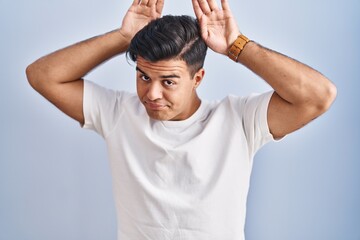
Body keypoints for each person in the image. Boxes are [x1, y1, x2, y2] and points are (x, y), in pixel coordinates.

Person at [26, 0, 337, 239]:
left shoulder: (239, 120)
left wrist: (236, 46)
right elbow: (42, 76)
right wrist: (124, 38)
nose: (152, 93)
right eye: (143, 76)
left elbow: (319, 95)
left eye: (169, 82)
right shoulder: (118, 113)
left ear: (198, 77)